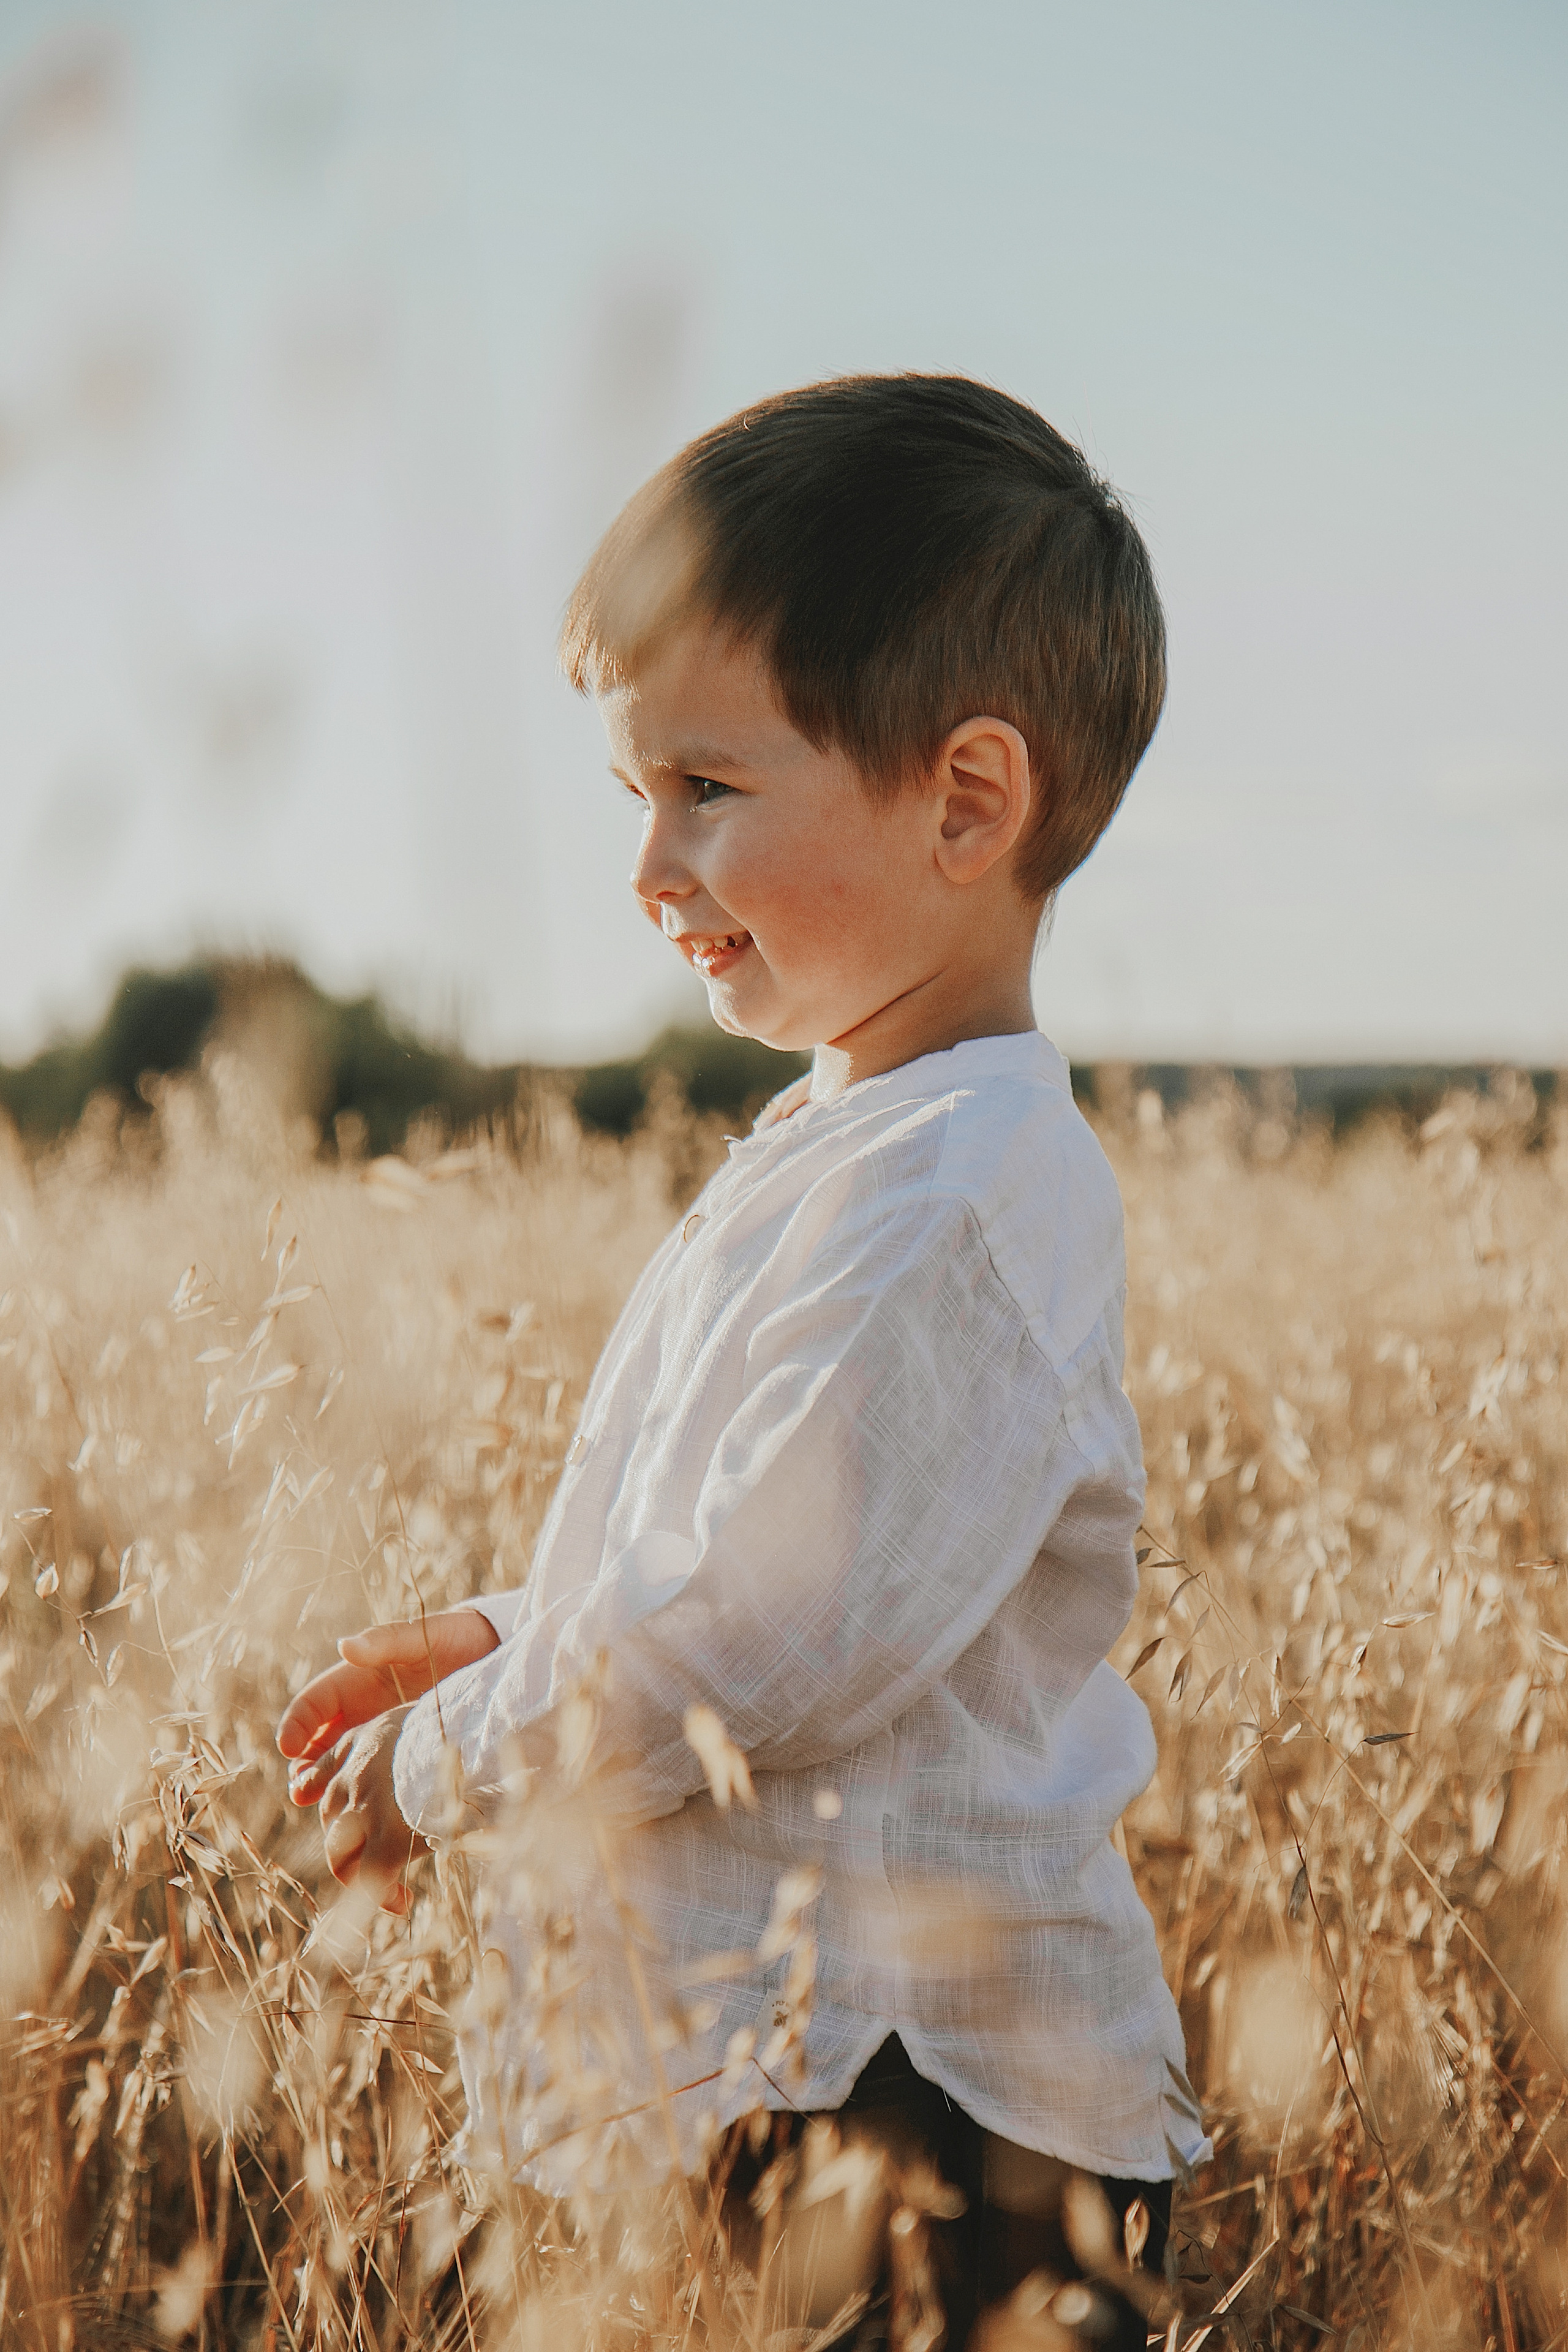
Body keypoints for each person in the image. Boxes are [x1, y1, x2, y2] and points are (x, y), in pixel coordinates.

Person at [278, 375, 1208, 2343]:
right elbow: (753, 1546)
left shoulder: (968, 1195)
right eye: (637, 800)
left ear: (968, 801)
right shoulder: (852, 1143)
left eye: (706, 790)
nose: (650, 868)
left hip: (924, 2117)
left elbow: (764, 1635)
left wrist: (442, 1761)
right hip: (780, 2076)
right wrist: (495, 1627)